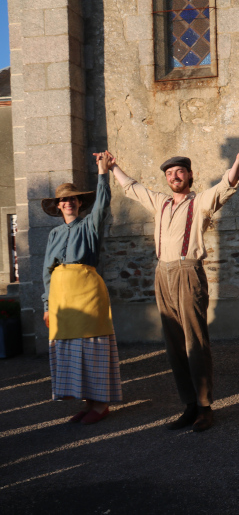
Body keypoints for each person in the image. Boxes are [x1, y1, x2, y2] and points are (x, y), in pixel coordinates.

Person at [107, 147, 239, 432]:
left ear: (190, 175)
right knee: (174, 344)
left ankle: (205, 407)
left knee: (195, 340)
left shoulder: (201, 201)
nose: (174, 177)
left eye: (179, 172)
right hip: (163, 273)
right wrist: (112, 167)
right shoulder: (161, 202)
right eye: (169, 173)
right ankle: (189, 404)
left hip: (187, 271)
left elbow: (227, 184)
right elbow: (132, 188)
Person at [42, 151, 121, 424]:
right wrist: (47, 305)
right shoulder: (54, 234)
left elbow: (102, 203)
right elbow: (47, 272)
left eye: (73, 199)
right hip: (61, 299)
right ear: (58, 205)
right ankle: (89, 403)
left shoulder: (90, 225)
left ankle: (101, 405)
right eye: (64, 200)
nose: (68, 202)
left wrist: (103, 173)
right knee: (73, 350)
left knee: (92, 347)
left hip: (88, 294)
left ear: (79, 203)